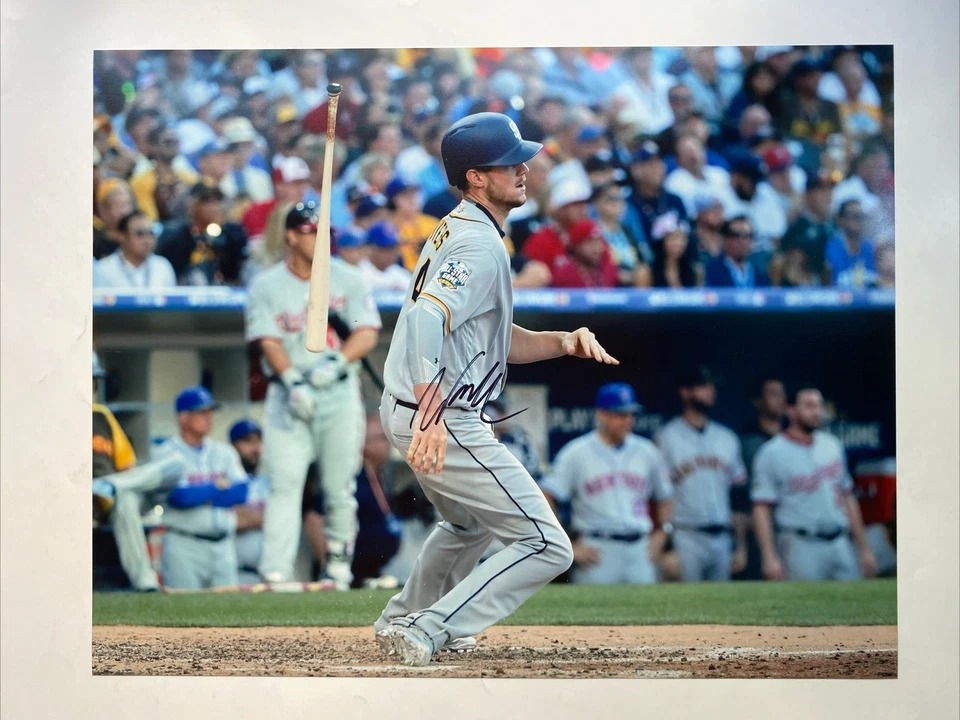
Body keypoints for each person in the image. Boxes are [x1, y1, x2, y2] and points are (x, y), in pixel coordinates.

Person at [372, 112, 619, 666]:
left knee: (468, 523)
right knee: (548, 545)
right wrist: (433, 413)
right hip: (438, 412)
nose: (525, 168)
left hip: (412, 406)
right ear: (477, 177)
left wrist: (559, 341)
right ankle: (432, 627)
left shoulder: (461, 227)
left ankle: (402, 618)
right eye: (510, 162)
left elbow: (487, 333)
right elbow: (424, 320)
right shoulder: (480, 245)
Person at [244, 201, 382, 589]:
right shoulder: (267, 284)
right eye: (310, 232)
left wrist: (336, 364)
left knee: (340, 484)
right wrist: (292, 381)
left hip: (337, 389)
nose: (319, 240)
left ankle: (338, 566)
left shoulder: (349, 279)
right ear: (290, 235)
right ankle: (275, 571)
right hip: (288, 394)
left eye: (324, 233)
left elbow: (367, 331)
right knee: (284, 483)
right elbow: (267, 340)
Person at [539, 383, 673, 585]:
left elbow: (665, 496)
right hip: (597, 550)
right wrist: (567, 545)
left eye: (630, 414)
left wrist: (662, 533)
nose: (627, 420)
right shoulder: (576, 452)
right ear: (601, 415)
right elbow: (546, 495)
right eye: (619, 414)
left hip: (640, 548)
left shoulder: (647, 452)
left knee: (648, 614)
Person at [750, 384, 878, 582]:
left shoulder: (832, 445)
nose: (816, 412)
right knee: (807, 610)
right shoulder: (771, 452)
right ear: (790, 410)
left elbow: (848, 497)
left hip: (839, 541)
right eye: (809, 406)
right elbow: (761, 507)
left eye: (818, 405)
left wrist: (864, 549)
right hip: (801, 544)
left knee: (853, 608)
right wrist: (769, 556)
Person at [92, 351, 185, 591]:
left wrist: (121, 483)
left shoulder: (101, 414)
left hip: (110, 490)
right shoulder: (57, 419)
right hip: (85, 496)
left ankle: (113, 485)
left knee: (176, 464)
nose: (92, 385)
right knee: (124, 499)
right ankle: (145, 582)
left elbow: (128, 465)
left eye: (93, 380)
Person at [654, 365, 750, 583]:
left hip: (723, 537)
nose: (711, 391)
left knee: (723, 609)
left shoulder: (727, 438)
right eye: (703, 386)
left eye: (711, 386)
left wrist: (741, 546)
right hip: (685, 536)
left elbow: (738, 496)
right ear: (685, 392)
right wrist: (666, 544)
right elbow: (659, 496)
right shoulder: (666, 438)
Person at [151, 386, 251, 590]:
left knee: (229, 613)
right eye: (201, 412)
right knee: (183, 611)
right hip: (185, 545)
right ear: (183, 417)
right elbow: (179, 497)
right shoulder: (165, 453)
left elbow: (241, 493)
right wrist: (217, 486)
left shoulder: (223, 452)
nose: (209, 417)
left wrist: (201, 493)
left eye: (209, 412)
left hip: (223, 545)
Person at [229, 419, 271, 586]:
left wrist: (248, 516)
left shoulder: (267, 483)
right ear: (232, 446)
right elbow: (232, 519)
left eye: (258, 442)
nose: (255, 448)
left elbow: (283, 519)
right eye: (247, 442)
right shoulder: (226, 481)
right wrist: (266, 517)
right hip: (234, 572)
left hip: (263, 573)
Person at [93, 210, 178, 290]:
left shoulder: (163, 266)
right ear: (122, 236)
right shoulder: (104, 270)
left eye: (151, 232)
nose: (147, 240)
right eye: (140, 234)